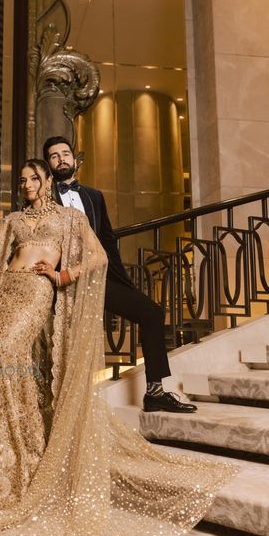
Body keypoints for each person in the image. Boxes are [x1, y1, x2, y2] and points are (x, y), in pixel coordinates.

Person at [0, 159, 235, 536]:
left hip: (37, 293)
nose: (26, 185)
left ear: (47, 180)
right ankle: (12, 467)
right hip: (8, 290)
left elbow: (98, 257)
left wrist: (63, 275)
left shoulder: (70, 218)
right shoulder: (14, 221)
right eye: (21, 180)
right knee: (10, 373)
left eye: (33, 178)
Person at [43, 136, 196, 414]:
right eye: (54, 156)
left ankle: (155, 392)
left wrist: (123, 282)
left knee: (151, 312)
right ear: (48, 164)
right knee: (67, 346)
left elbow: (107, 240)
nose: (61, 158)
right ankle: (59, 408)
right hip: (63, 283)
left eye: (65, 153)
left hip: (99, 278)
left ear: (74, 159)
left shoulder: (94, 196)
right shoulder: (43, 197)